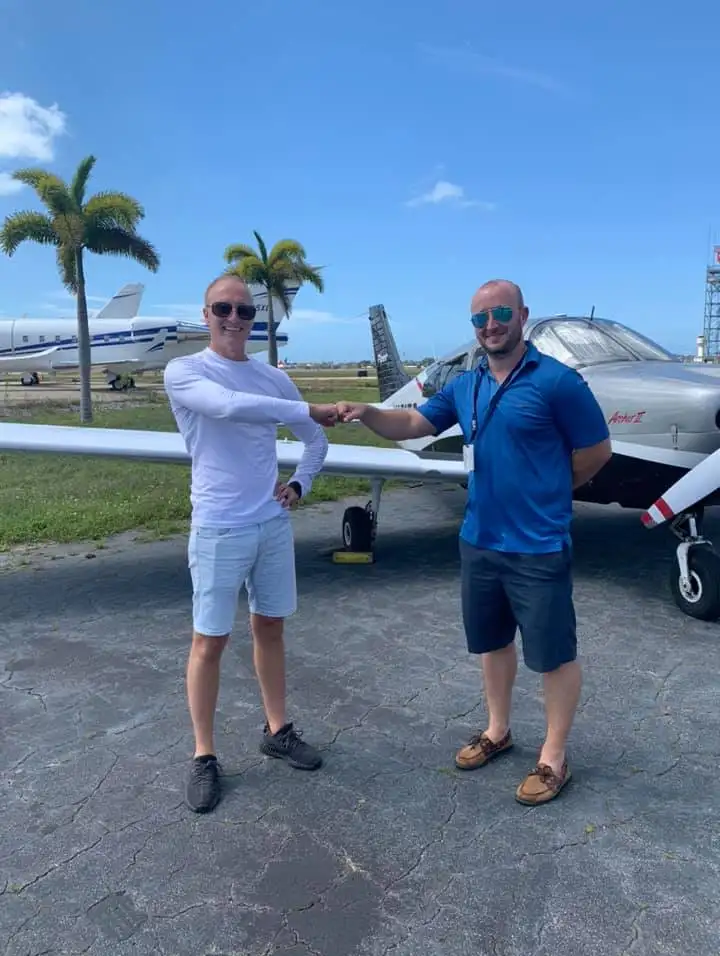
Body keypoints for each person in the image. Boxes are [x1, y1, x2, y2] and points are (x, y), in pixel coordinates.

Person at [336, 279, 611, 805]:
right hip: (479, 540)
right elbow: (415, 421)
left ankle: (553, 757)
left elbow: (596, 450)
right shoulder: (469, 384)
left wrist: (552, 489)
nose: (491, 324)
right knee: (492, 643)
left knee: (553, 655)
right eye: (480, 318)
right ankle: (498, 730)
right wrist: (367, 412)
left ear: (522, 315)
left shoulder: (557, 382)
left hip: (537, 544)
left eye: (501, 312)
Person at [164, 274, 337, 814]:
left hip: (270, 523)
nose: (235, 319)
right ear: (206, 312)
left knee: (270, 627)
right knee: (209, 641)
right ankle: (203, 755)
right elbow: (228, 406)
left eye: (244, 311)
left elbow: (317, 442)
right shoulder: (185, 371)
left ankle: (277, 730)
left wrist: (301, 484)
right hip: (218, 526)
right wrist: (308, 408)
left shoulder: (272, 378)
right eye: (224, 308)